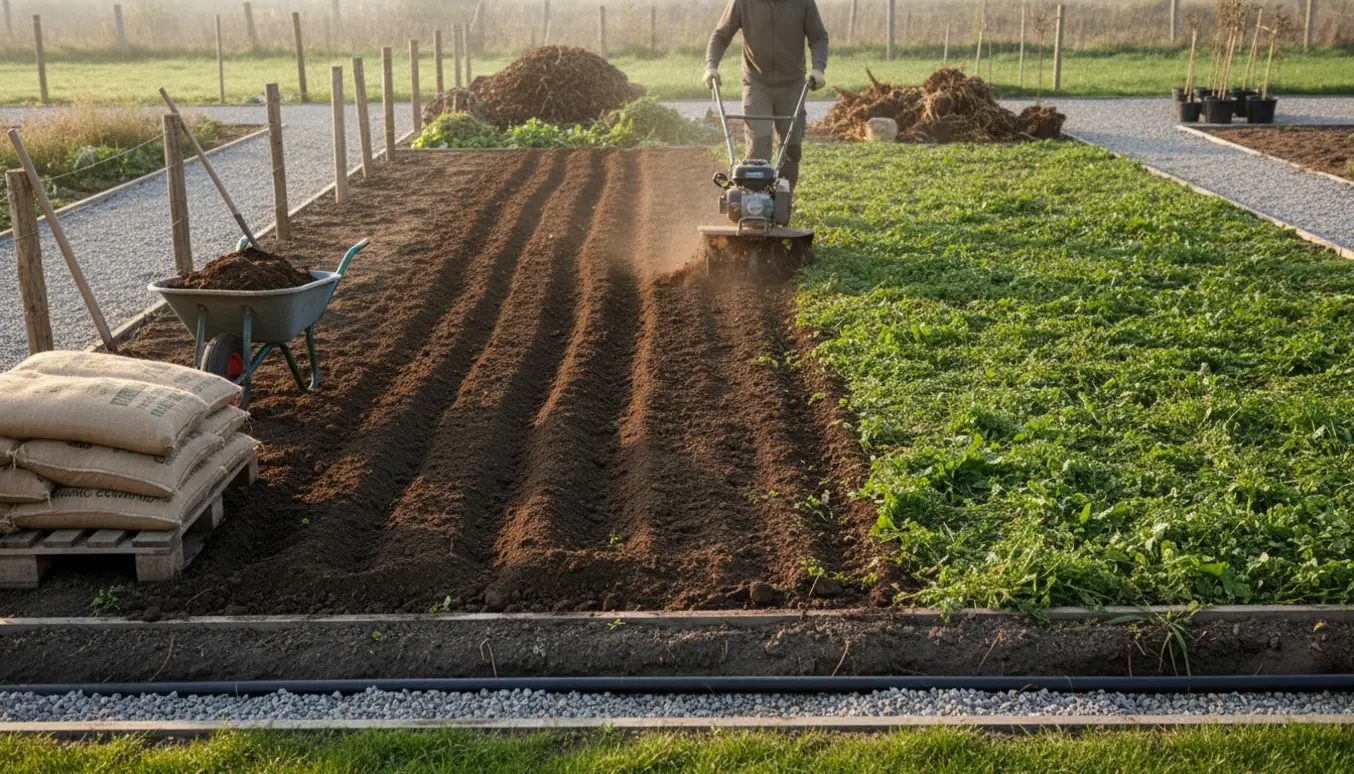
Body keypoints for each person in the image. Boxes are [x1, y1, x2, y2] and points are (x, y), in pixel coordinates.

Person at [704, 0, 829, 190]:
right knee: (759, 140)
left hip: (792, 83)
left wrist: (819, 68)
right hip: (756, 82)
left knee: (790, 146)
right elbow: (721, 35)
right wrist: (711, 66)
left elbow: (818, 36)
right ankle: (755, 201)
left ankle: (783, 196)